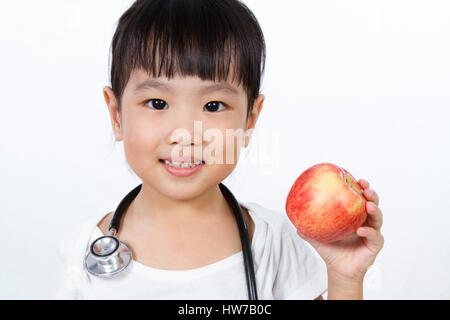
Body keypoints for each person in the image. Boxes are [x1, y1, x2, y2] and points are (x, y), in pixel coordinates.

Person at [51, 0, 384, 300]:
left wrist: (344, 277)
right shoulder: (81, 256)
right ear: (116, 115)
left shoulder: (272, 243)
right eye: (157, 102)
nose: (184, 134)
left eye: (213, 105)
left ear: (250, 120)